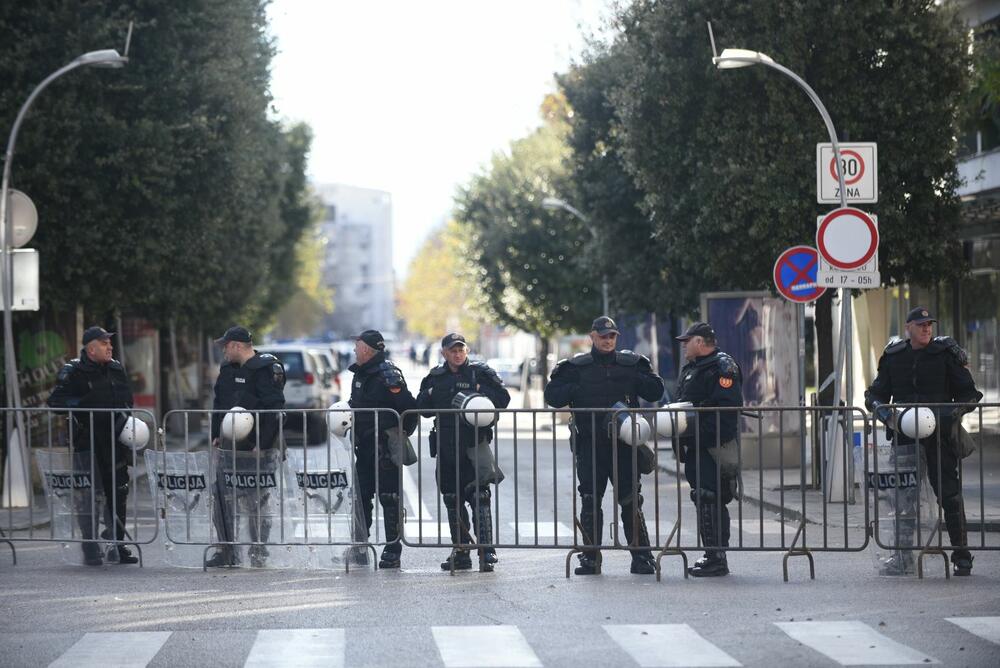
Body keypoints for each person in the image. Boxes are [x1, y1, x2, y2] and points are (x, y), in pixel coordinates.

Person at [865, 307, 982, 576]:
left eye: (929, 324)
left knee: (950, 496)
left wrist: (952, 412)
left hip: (940, 437)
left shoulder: (945, 355)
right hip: (905, 439)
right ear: (909, 328)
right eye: (920, 325)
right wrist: (884, 412)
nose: (927, 329)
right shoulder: (895, 357)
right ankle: (903, 558)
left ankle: (962, 556)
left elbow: (970, 394)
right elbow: (875, 394)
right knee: (904, 499)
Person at [544, 316, 665, 575]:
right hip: (590, 446)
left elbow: (656, 392)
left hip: (624, 446)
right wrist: (574, 388)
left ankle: (641, 557)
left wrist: (638, 378)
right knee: (590, 501)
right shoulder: (575, 367)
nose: (608, 340)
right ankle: (590, 558)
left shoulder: (632, 363)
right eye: (603, 336)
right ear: (593, 337)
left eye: (612, 336)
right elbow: (552, 397)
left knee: (631, 500)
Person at [417, 333, 510, 572]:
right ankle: (461, 551)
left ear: (466, 351)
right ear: (444, 353)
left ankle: (486, 551)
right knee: (452, 499)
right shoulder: (435, 377)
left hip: (474, 444)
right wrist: (428, 396)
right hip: (446, 446)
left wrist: (482, 391)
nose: (458, 354)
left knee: (480, 497)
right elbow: (421, 408)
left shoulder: (481, 374)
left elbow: (503, 399)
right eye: (453, 350)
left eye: (461, 350)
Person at [48, 326, 138, 566]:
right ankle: (90, 548)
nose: (110, 346)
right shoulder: (74, 371)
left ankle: (117, 546)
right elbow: (56, 402)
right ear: (91, 348)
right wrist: (84, 406)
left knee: (118, 492)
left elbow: (127, 400)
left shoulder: (116, 368)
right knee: (88, 497)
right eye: (104, 343)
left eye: (110, 342)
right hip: (86, 442)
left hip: (114, 441)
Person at [207, 326, 286, 568]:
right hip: (230, 445)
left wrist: (262, 445)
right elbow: (219, 403)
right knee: (221, 495)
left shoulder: (264, 369)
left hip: (258, 447)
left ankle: (258, 549)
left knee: (257, 501)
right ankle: (227, 550)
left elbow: (275, 409)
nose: (223, 351)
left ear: (236, 346)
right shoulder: (227, 370)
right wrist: (216, 434)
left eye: (225, 346)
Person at [673, 321, 742, 577]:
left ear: (699, 342)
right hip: (696, 445)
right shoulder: (693, 368)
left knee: (710, 496)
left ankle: (717, 557)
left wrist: (701, 435)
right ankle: (713, 554)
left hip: (713, 445)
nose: (683, 347)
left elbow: (726, 412)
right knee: (703, 497)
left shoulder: (722, 366)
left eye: (686, 342)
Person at [347, 330, 418, 568]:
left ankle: (392, 548)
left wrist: (400, 435)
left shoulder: (387, 374)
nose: (355, 351)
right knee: (360, 497)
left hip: (384, 447)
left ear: (367, 349)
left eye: (358, 347)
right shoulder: (359, 373)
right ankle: (360, 545)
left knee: (389, 498)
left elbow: (408, 408)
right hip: (364, 447)